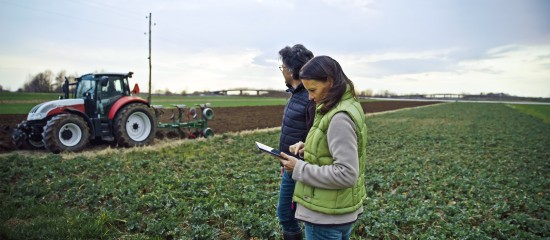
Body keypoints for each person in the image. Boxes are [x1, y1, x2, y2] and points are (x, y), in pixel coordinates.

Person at [279, 56, 367, 240]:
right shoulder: (344, 105)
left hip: (326, 217)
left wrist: (299, 168)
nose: (310, 97)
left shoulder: (339, 117)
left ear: (330, 82)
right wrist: (309, 146)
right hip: (335, 210)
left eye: (312, 90)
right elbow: (336, 147)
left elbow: (346, 173)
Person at [277, 44, 315, 240]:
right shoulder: (296, 95)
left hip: (301, 167)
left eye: (282, 67)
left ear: (291, 71)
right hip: (290, 165)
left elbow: (315, 137)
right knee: (290, 214)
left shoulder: (309, 98)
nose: (282, 71)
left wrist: (298, 163)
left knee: (287, 214)